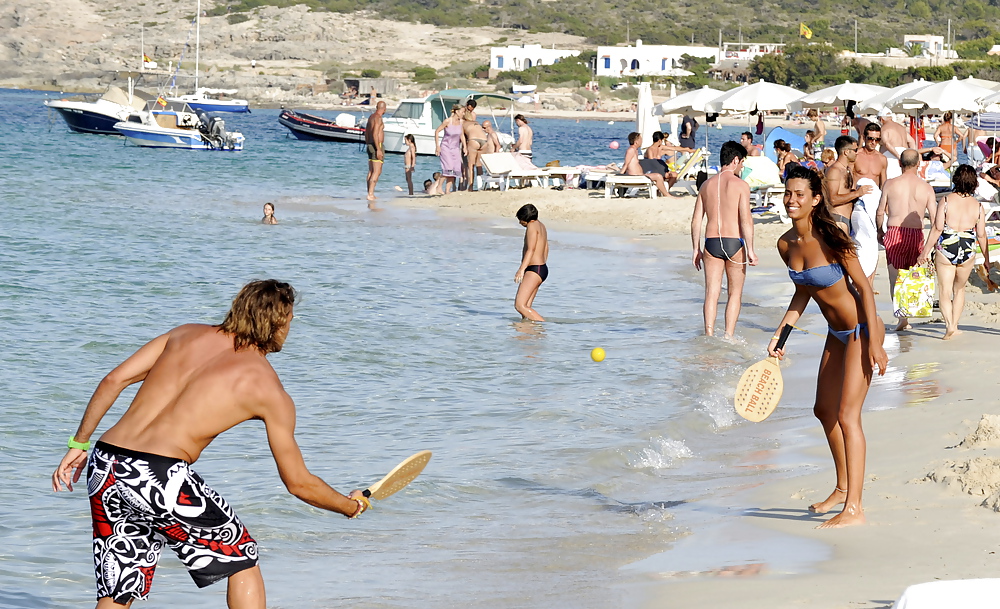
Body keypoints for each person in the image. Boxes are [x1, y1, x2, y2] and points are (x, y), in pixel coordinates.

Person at [52, 280, 370, 608]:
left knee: (120, 585)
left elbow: (113, 380)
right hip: (158, 475)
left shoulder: (183, 334)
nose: (291, 326)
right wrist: (349, 506)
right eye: (291, 319)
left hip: (105, 463)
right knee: (242, 558)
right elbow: (298, 483)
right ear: (278, 321)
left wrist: (79, 443)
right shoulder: (267, 387)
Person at [770, 164, 888, 528]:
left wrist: (875, 343)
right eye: (788, 193)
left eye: (799, 194)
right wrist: (781, 334)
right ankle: (841, 488)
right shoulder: (785, 243)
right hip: (835, 334)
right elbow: (804, 290)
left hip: (861, 330)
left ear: (815, 199)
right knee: (824, 411)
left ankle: (855, 508)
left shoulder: (832, 236)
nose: (791, 200)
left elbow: (865, 288)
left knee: (848, 417)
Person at [918, 164, 997, 339]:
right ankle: (955, 324)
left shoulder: (945, 201)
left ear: (956, 180)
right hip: (968, 247)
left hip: (947, 245)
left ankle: (949, 327)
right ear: (973, 183)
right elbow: (982, 235)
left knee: (945, 290)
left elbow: (937, 228)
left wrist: (924, 252)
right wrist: (986, 259)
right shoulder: (978, 206)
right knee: (959, 290)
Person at [690, 141, 758, 338]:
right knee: (734, 293)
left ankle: (709, 335)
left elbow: (696, 221)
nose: (742, 167)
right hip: (734, 242)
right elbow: (746, 220)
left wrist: (696, 248)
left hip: (711, 242)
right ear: (735, 160)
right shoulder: (741, 185)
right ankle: (728, 336)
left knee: (711, 292)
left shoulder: (706, 185)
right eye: (742, 162)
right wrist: (751, 250)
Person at [875, 149, 937, 331]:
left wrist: (880, 231)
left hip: (894, 231)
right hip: (916, 233)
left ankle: (902, 319)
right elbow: (935, 219)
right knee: (913, 275)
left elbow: (880, 211)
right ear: (919, 164)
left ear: (900, 163)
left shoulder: (890, 184)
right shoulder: (926, 187)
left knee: (895, 277)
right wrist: (930, 245)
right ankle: (910, 311)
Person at [514, 204, 549, 322]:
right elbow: (546, 248)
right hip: (541, 268)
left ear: (526, 218)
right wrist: (542, 265)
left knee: (520, 306)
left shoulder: (532, 226)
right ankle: (527, 336)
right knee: (526, 311)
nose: (520, 223)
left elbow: (531, 249)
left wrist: (521, 269)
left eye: (520, 220)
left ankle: (545, 326)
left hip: (534, 269)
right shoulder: (541, 226)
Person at [623, 132, 672, 198]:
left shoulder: (634, 150)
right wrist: (620, 175)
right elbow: (626, 164)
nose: (642, 141)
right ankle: (667, 195)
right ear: (636, 142)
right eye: (640, 139)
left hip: (639, 175)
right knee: (658, 176)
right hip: (635, 176)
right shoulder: (631, 150)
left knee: (658, 176)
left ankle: (665, 194)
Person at [434, 104, 466, 194]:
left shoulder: (461, 122)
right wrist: (437, 146)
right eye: (462, 112)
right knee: (448, 168)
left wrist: (465, 147)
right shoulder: (448, 121)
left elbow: (462, 135)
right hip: (445, 147)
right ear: (457, 111)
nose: (463, 114)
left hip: (455, 148)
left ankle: (447, 190)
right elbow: (437, 131)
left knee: (455, 169)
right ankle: (439, 187)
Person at [878, 109, 916, 179]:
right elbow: (912, 141)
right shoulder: (901, 127)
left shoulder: (884, 128)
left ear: (881, 118)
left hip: (891, 156)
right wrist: (911, 155)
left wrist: (898, 156)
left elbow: (887, 143)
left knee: (890, 182)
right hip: (904, 154)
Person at [364, 100, 387, 202]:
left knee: (371, 171)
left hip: (370, 144)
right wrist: (378, 149)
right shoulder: (378, 118)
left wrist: (368, 143)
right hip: (377, 145)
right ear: (384, 108)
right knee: (377, 171)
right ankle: (370, 194)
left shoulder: (371, 117)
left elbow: (366, 132)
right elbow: (375, 133)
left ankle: (370, 192)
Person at [854, 123, 888, 188]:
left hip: (875, 196)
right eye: (870, 139)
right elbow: (849, 180)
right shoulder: (856, 155)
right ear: (864, 138)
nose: (873, 142)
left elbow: (883, 183)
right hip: (857, 195)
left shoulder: (882, 159)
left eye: (877, 140)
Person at [463, 107, 489, 191]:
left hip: (473, 140)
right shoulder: (477, 123)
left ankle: (470, 186)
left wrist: (464, 147)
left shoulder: (463, 123)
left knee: (471, 165)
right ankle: (480, 186)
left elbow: (462, 137)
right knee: (479, 164)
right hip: (484, 141)